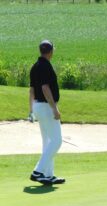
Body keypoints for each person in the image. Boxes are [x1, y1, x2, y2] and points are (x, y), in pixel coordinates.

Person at [29, 40, 65, 185]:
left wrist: (31, 110)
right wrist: (54, 108)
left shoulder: (35, 66)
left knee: (48, 142)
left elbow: (31, 90)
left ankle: (48, 174)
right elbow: (45, 88)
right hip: (46, 106)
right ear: (50, 51)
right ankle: (38, 171)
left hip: (38, 106)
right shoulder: (45, 66)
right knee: (57, 141)